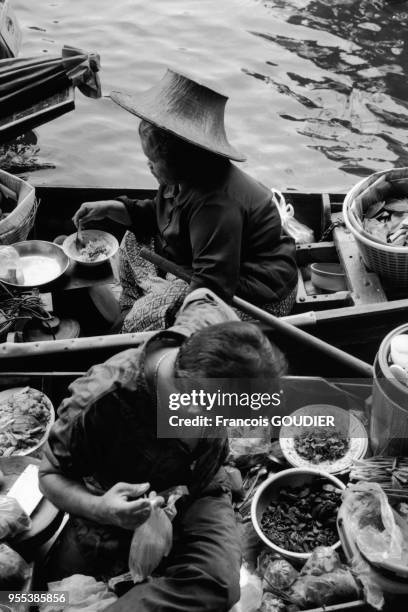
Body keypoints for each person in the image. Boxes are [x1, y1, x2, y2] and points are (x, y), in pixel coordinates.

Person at [39, 288, 288, 612]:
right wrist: (102, 508)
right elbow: (49, 475)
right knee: (57, 588)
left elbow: (202, 293)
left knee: (220, 586)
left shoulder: (213, 326)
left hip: (201, 484)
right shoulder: (101, 401)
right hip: (125, 509)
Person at [72, 69, 298, 332]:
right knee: (133, 240)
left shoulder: (215, 205)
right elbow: (161, 213)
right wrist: (113, 208)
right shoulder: (185, 178)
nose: (149, 167)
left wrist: (163, 310)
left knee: (138, 321)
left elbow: (212, 285)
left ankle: (130, 322)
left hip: (256, 297)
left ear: (182, 161)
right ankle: (131, 305)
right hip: (206, 265)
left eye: (154, 161)